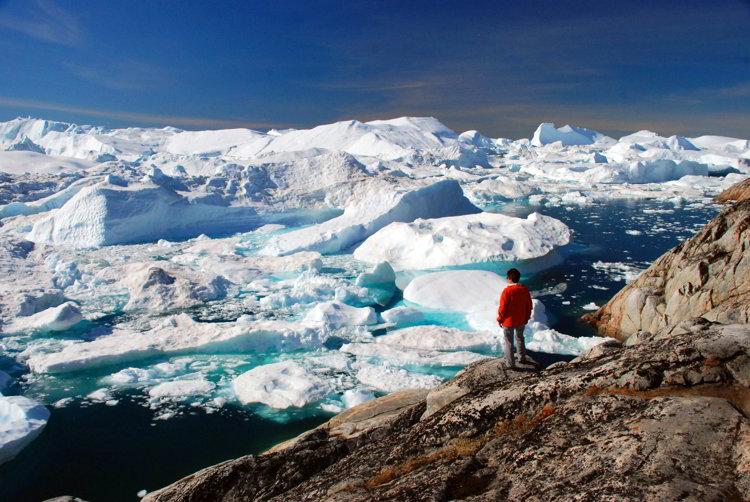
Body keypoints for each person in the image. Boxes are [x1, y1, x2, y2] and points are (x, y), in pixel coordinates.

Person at [497, 268, 533, 368]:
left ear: (509, 278)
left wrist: (500, 319)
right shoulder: (524, 290)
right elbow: (529, 305)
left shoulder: (506, 291)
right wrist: (527, 317)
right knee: (520, 338)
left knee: (508, 342)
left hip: (508, 321)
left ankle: (510, 364)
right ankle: (522, 358)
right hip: (521, 320)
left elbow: (503, 308)